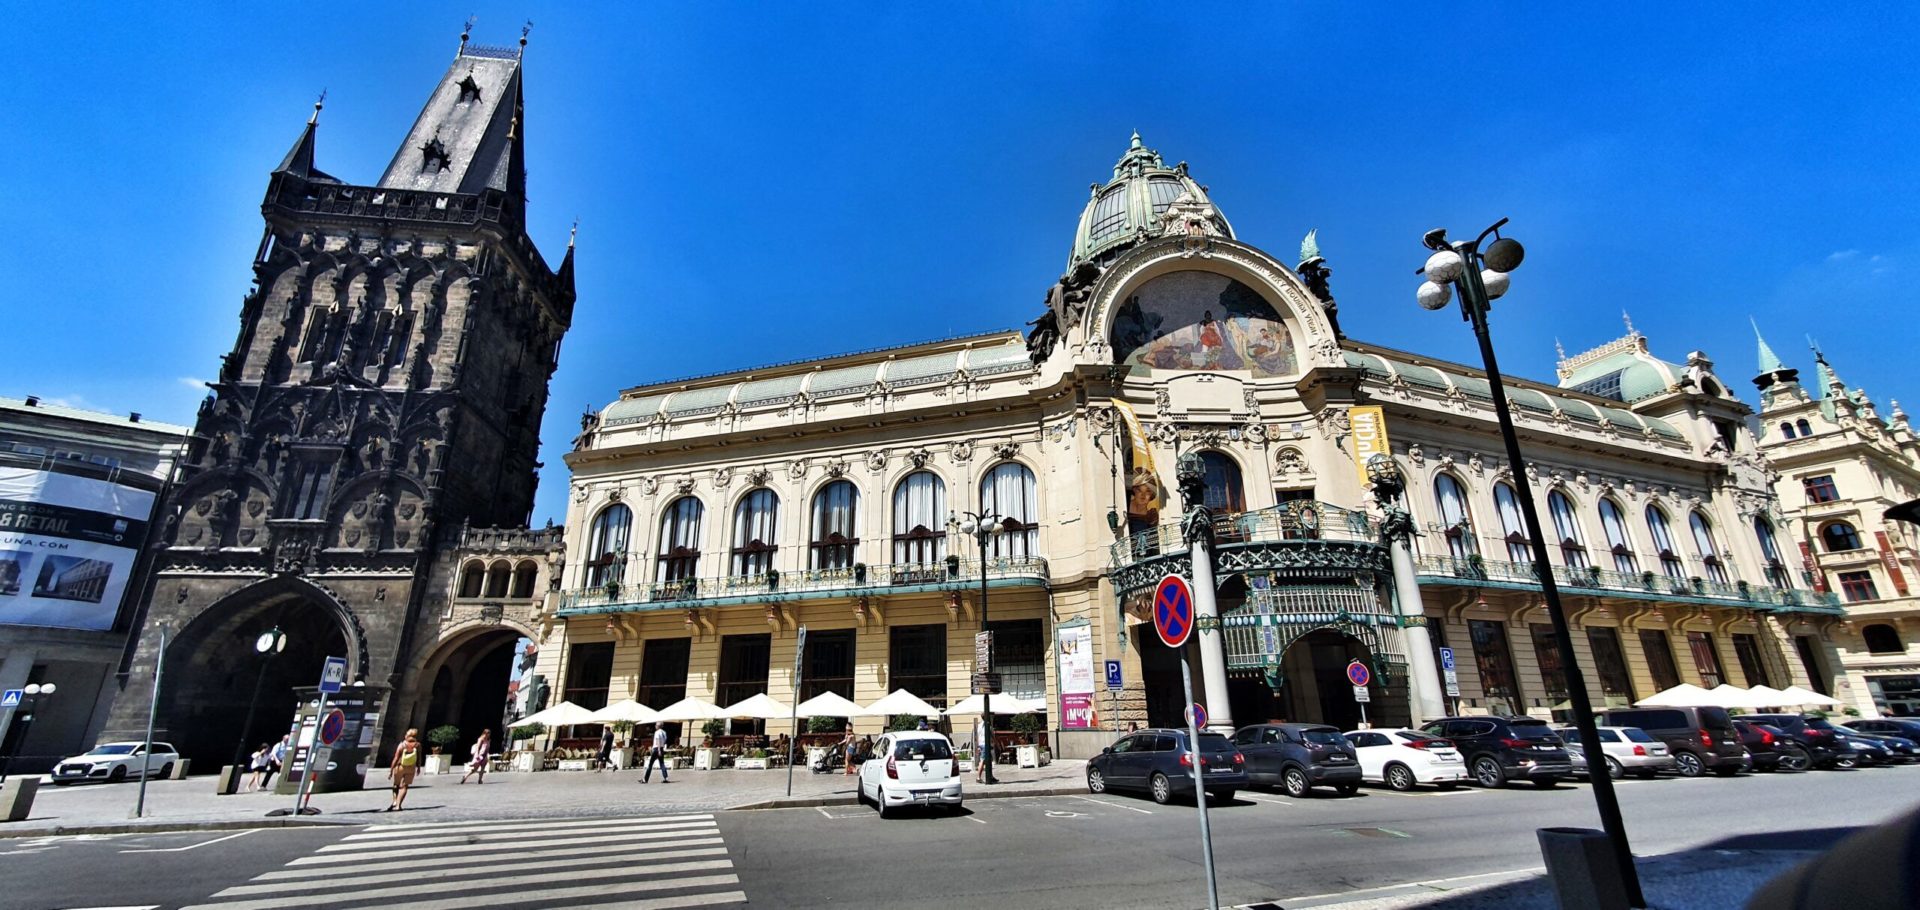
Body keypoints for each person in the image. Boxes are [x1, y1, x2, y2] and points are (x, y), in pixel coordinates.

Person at [387, 728, 422, 812]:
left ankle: (395, 801)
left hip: (400, 766)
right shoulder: (418, 745)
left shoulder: (402, 745)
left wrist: (391, 770)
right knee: (404, 786)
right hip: (411, 767)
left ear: (408, 736)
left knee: (396, 785)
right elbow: (419, 757)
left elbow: (396, 758)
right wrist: (419, 767)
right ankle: (399, 805)